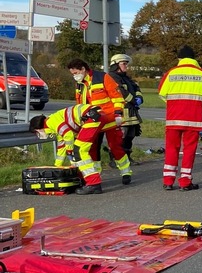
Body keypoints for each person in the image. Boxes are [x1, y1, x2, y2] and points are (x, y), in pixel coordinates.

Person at [67, 58, 131, 194]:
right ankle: (95, 176)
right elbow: (79, 104)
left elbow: (117, 97)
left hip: (109, 119)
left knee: (115, 147)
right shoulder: (80, 84)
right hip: (92, 122)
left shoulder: (103, 78)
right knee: (92, 149)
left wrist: (118, 114)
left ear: (83, 69)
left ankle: (125, 172)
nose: (75, 75)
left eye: (76, 72)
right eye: (73, 74)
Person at [158, 45, 202, 191]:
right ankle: (185, 182)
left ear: (179, 58)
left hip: (173, 118)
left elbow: (162, 94)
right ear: (193, 58)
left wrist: (174, 103)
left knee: (171, 148)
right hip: (193, 119)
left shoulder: (171, 73)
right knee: (189, 150)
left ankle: (168, 181)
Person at [29, 104, 103, 169]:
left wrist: (69, 151)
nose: (38, 135)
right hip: (91, 115)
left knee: (79, 150)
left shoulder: (51, 122)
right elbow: (61, 147)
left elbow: (68, 134)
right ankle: (92, 172)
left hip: (90, 115)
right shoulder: (53, 128)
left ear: (38, 129)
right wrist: (57, 166)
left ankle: (90, 176)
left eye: (37, 133)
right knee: (91, 149)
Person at [108, 54, 143, 164]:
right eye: (124, 64)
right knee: (119, 137)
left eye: (126, 64)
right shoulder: (112, 77)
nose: (126, 66)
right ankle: (114, 159)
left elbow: (136, 87)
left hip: (131, 112)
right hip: (121, 112)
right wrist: (133, 100)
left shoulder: (126, 78)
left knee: (130, 136)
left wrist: (139, 97)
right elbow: (121, 92)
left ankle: (127, 157)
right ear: (116, 65)